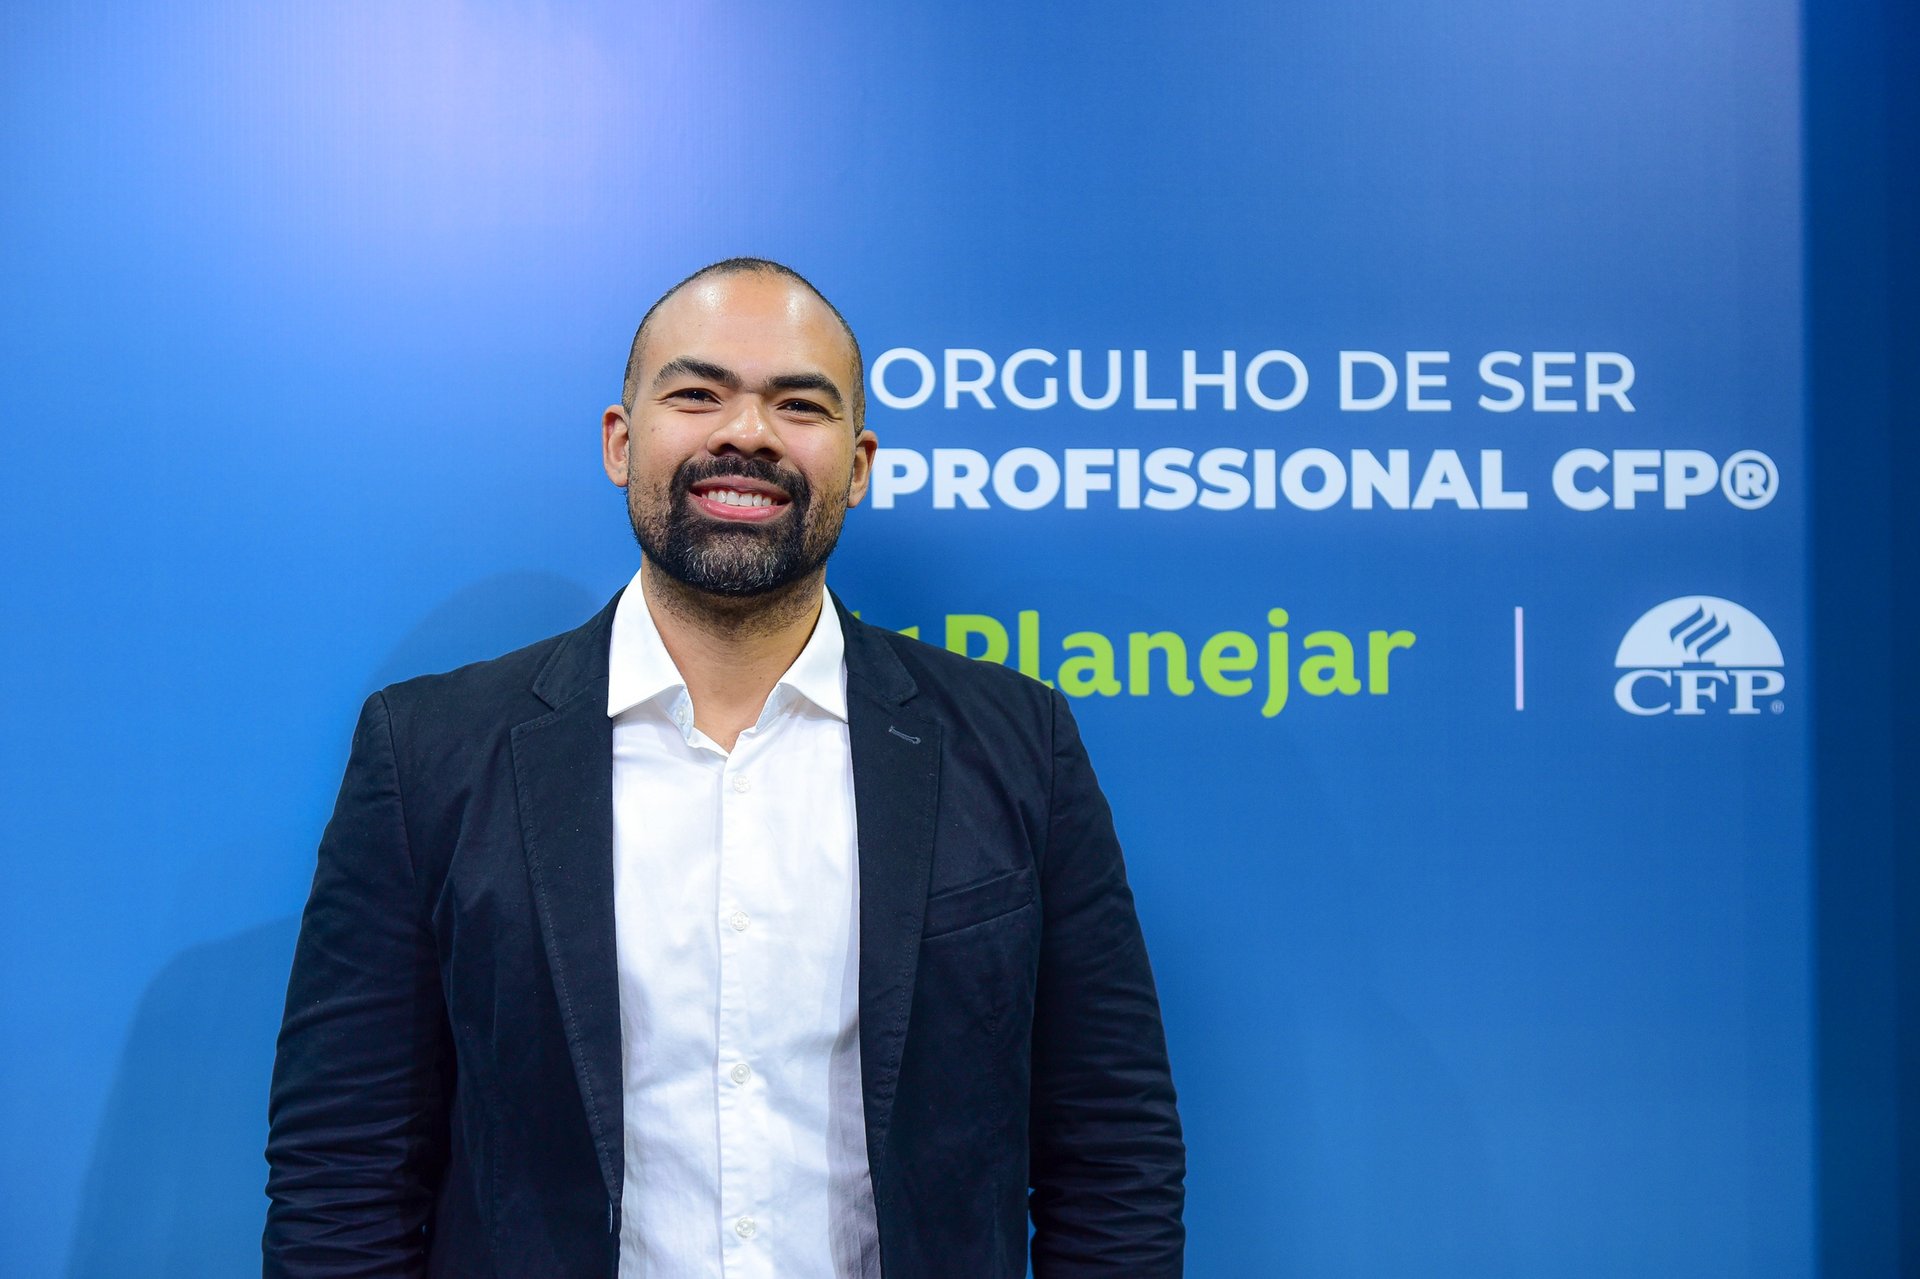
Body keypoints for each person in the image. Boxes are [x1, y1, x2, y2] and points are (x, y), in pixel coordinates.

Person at [263, 258, 1185, 1278]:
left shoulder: (1018, 745)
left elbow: (1111, 1153)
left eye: (799, 403)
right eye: (697, 393)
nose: (745, 433)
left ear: (861, 460)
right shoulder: (430, 750)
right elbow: (344, 1168)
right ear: (622, 442)